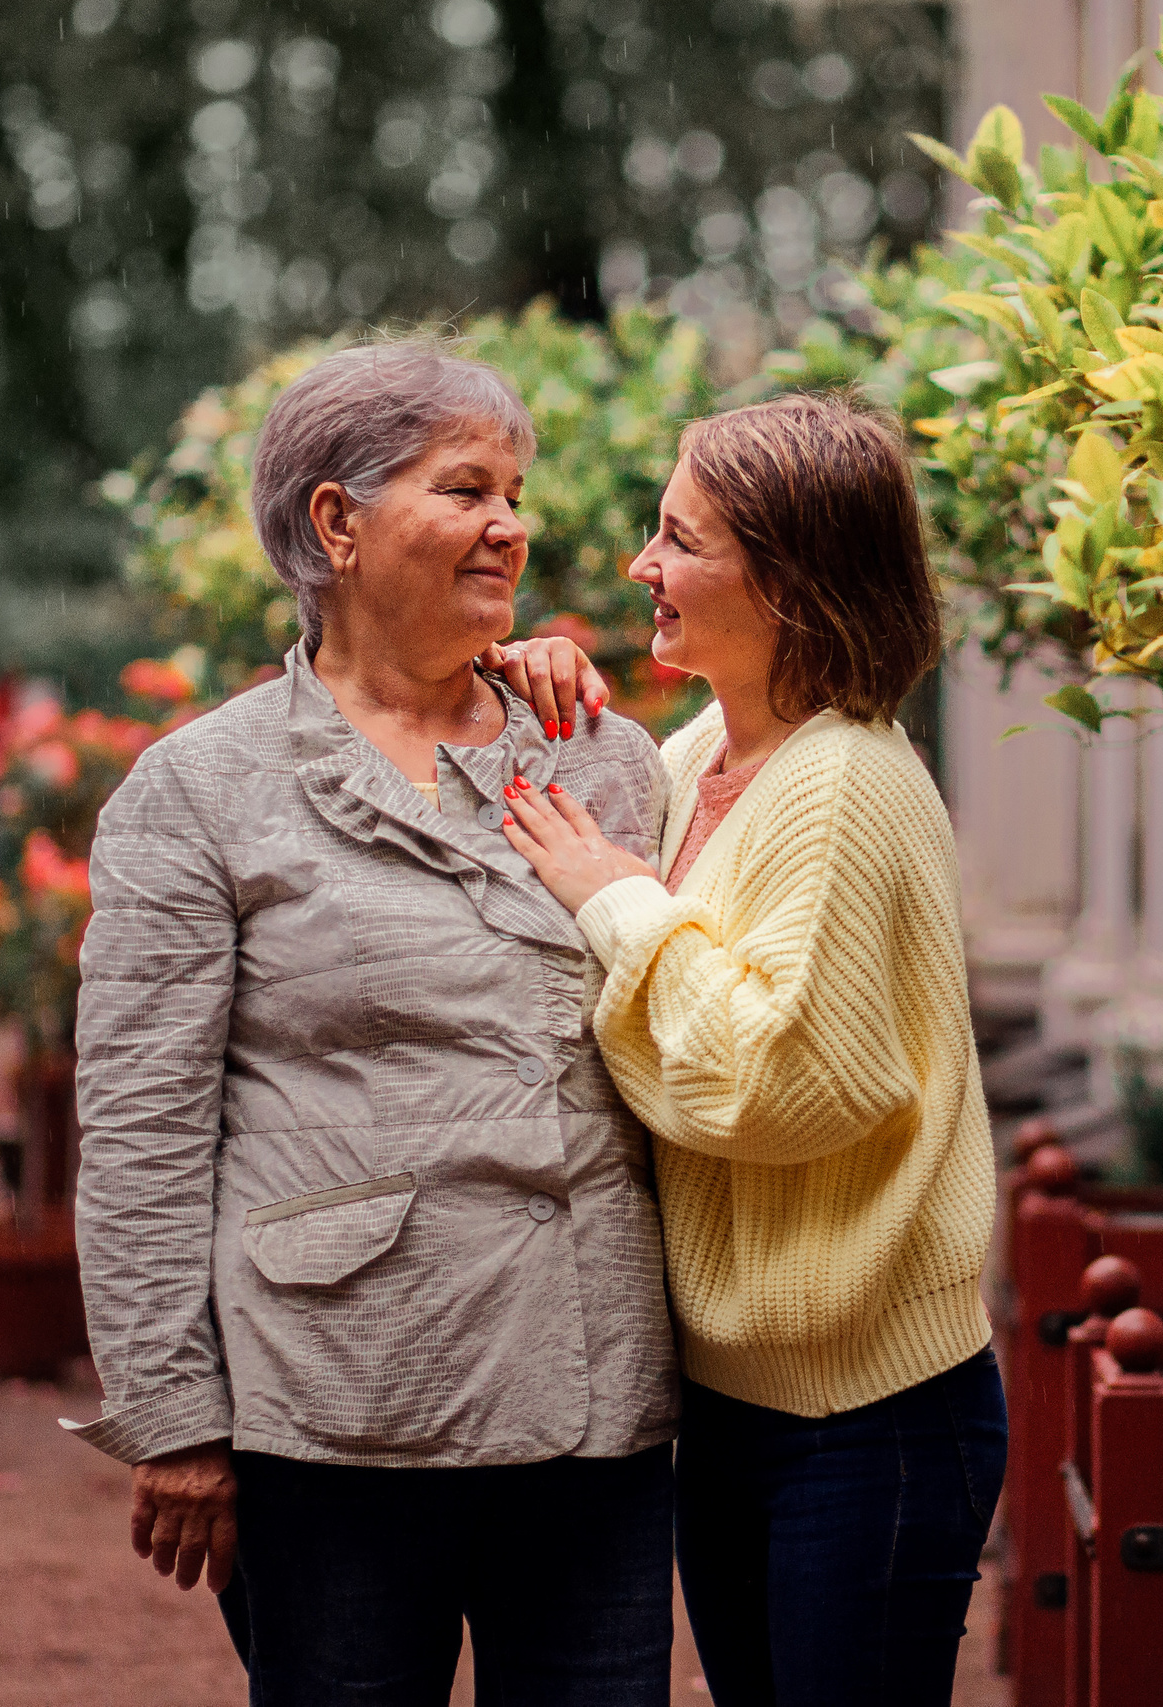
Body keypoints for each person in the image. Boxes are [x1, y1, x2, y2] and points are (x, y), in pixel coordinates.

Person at [68, 338, 678, 1706]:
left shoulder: (600, 755)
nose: (510, 525)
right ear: (337, 522)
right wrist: (173, 1415)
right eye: (466, 490)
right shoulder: (199, 792)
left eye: (515, 494)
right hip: (335, 1408)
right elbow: (144, 1131)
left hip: (593, 1400)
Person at [496, 391, 1005, 1707]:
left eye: (679, 540)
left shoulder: (841, 784)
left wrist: (618, 899)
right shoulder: (700, 758)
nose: (641, 566)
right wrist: (528, 682)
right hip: (736, 1401)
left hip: (867, 1416)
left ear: (786, 581)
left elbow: (784, 1081)